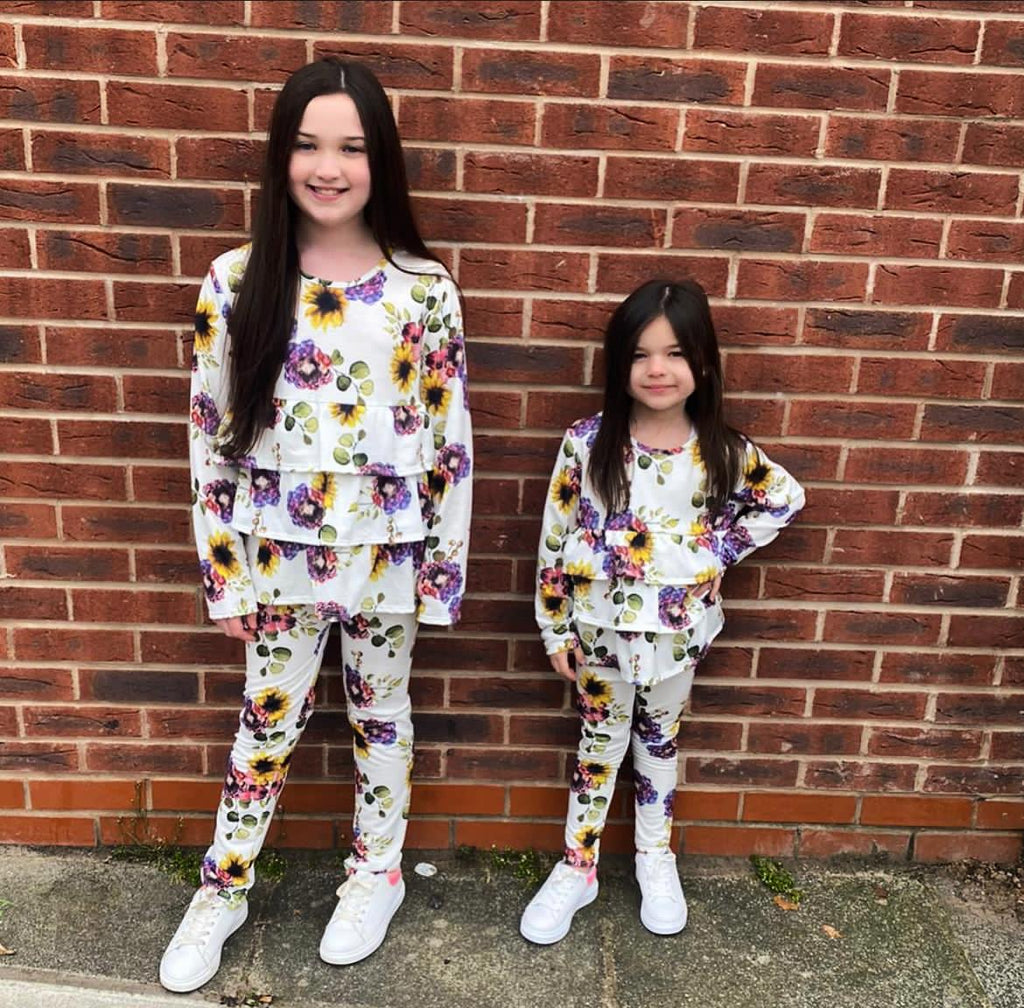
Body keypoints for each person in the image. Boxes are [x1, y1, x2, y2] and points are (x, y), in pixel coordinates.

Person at [160, 58, 472, 993]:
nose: (328, 167)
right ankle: (223, 887)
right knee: (265, 725)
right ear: (280, 156)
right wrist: (223, 572)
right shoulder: (236, 280)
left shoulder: (423, 288)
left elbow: (451, 439)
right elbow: (210, 434)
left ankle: (376, 875)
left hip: (389, 553)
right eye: (307, 145)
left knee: (382, 718)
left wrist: (440, 572)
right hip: (277, 554)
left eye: (351, 147)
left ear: (382, 161)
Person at [519, 279, 803, 944]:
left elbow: (785, 498)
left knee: (658, 742)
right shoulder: (587, 443)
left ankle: (655, 856)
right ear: (620, 363)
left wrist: (716, 551)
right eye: (641, 354)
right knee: (598, 746)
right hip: (598, 630)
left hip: (677, 635)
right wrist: (553, 625)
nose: (657, 369)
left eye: (675, 354)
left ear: (702, 362)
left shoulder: (722, 451)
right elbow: (555, 535)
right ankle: (578, 866)